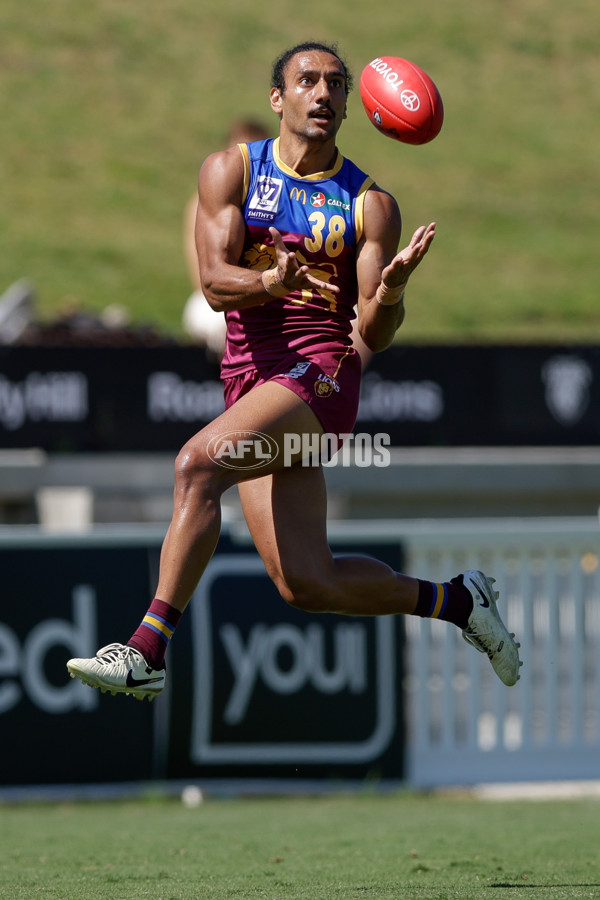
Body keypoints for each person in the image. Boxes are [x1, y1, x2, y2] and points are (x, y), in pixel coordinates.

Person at [67, 41, 522, 700]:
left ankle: (147, 650)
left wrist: (390, 293)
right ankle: (458, 602)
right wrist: (267, 283)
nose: (324, 93)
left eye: (337, 84)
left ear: (349, 105)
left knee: (198, 465)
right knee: (308, 583)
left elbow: (374, 334)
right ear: (278, 98)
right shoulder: (231, 172)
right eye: (308, 80)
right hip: (252, 381)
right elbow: (215, 284)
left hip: (319, 381)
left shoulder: (369, 205)